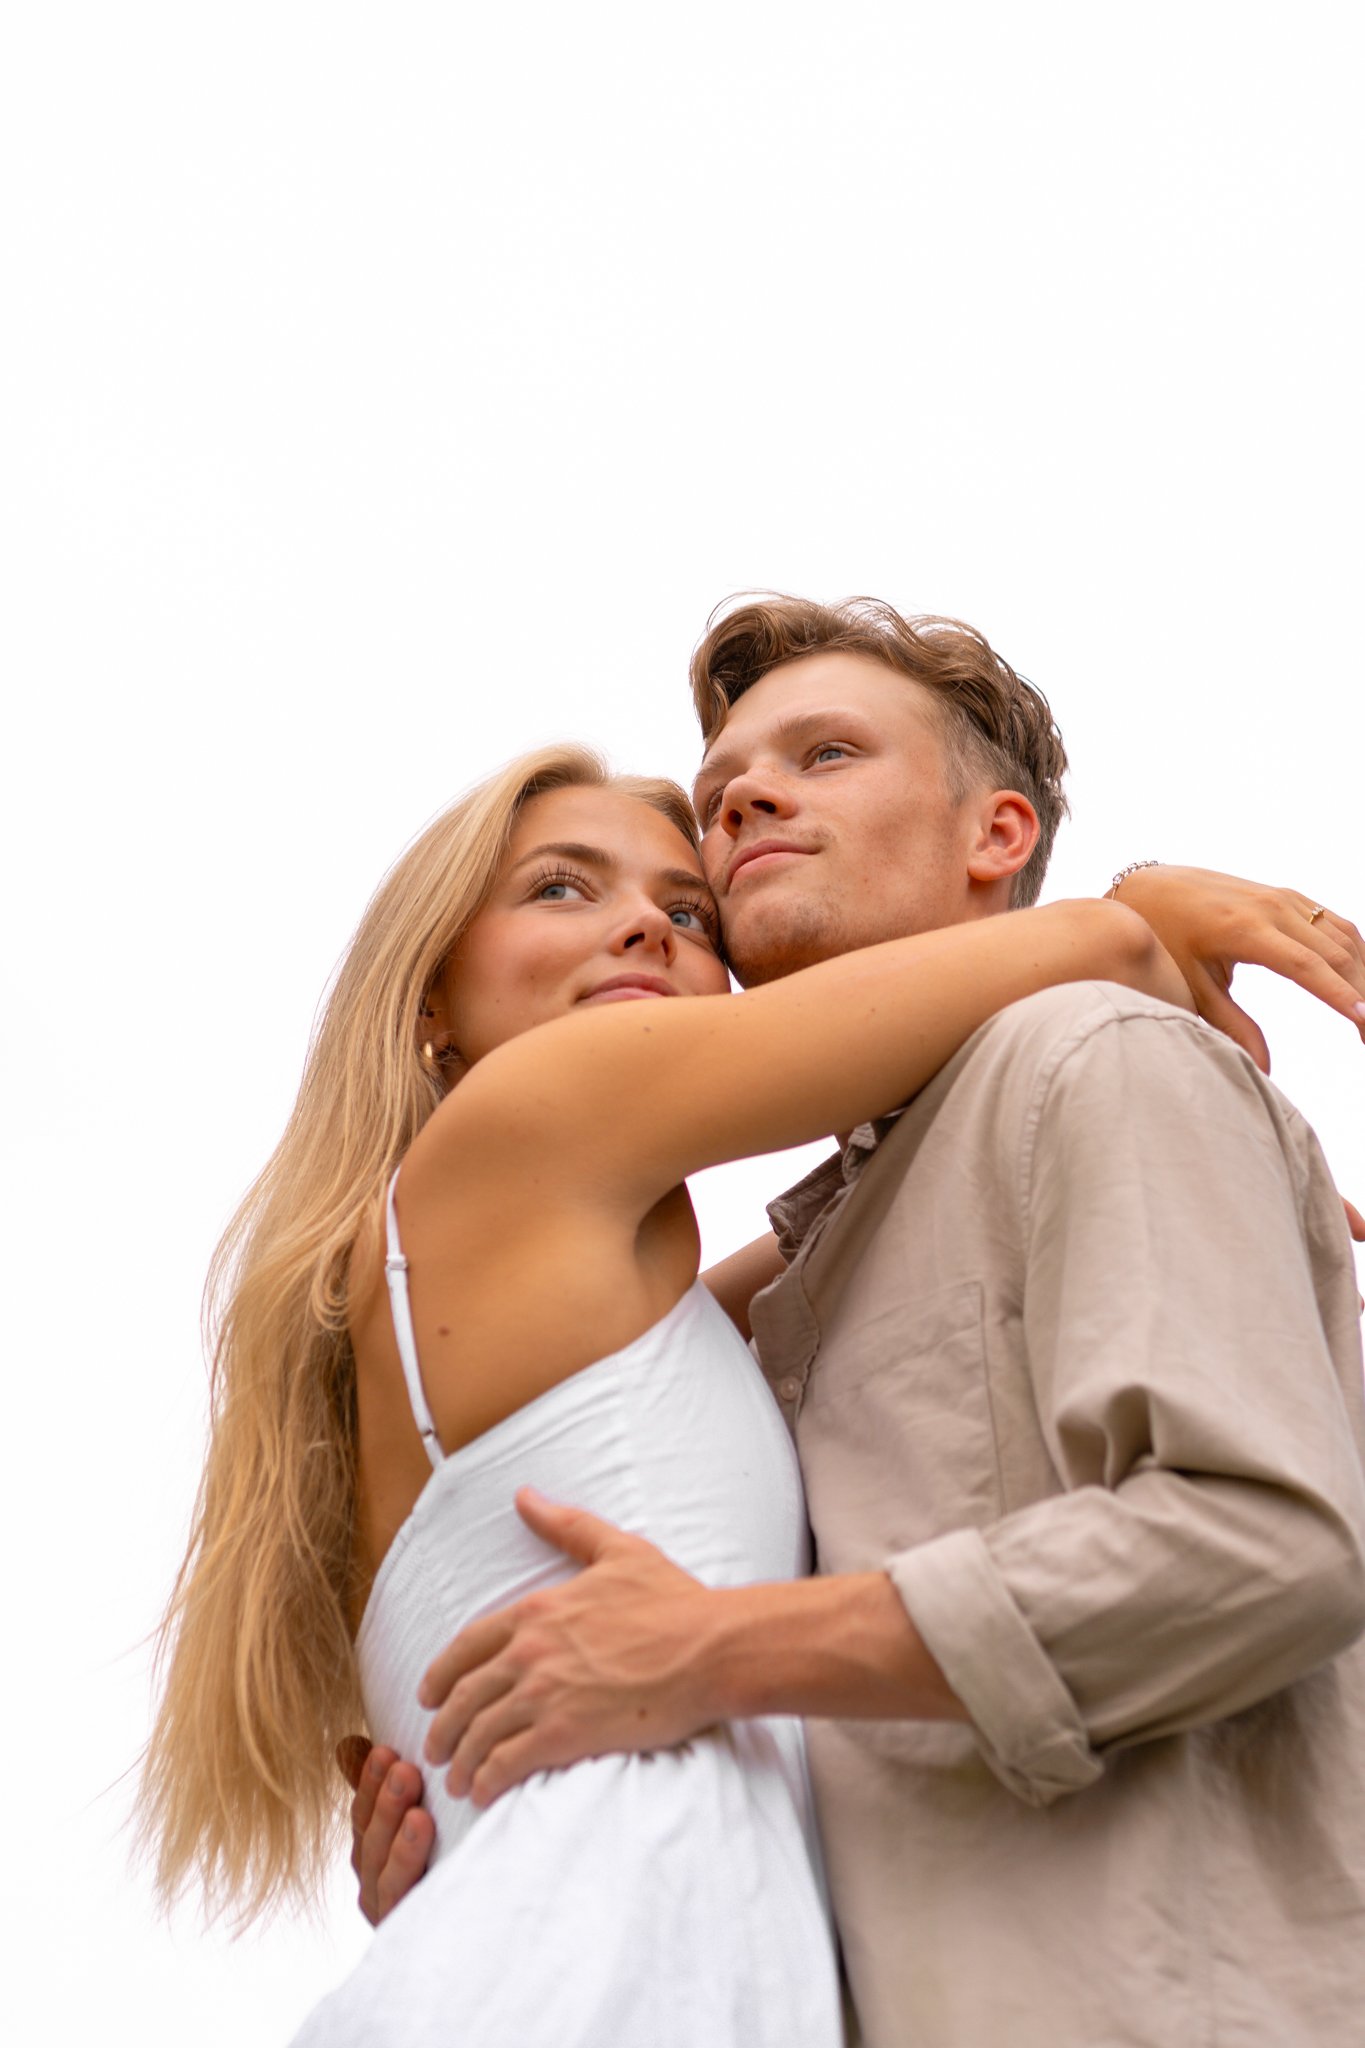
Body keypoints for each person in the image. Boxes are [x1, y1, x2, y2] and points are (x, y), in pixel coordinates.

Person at [353, 598, 1365, 2048]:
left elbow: (1261, 1547)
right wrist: (493, 1858)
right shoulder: (800, 1263)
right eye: (724, 794)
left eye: (827, 752)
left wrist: (704, 1655)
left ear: (996, 836)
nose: (748, 797)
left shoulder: (1095, 1058)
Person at [144, 725, 1247, 2045]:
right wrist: (1142, 907)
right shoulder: (527, 1115)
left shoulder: (585, 1316)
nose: (642, 930)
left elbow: (874, 1220)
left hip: (588, 1951)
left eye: (685, 909)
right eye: (561, 886)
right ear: (426, 1001)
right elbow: (1101, 953)